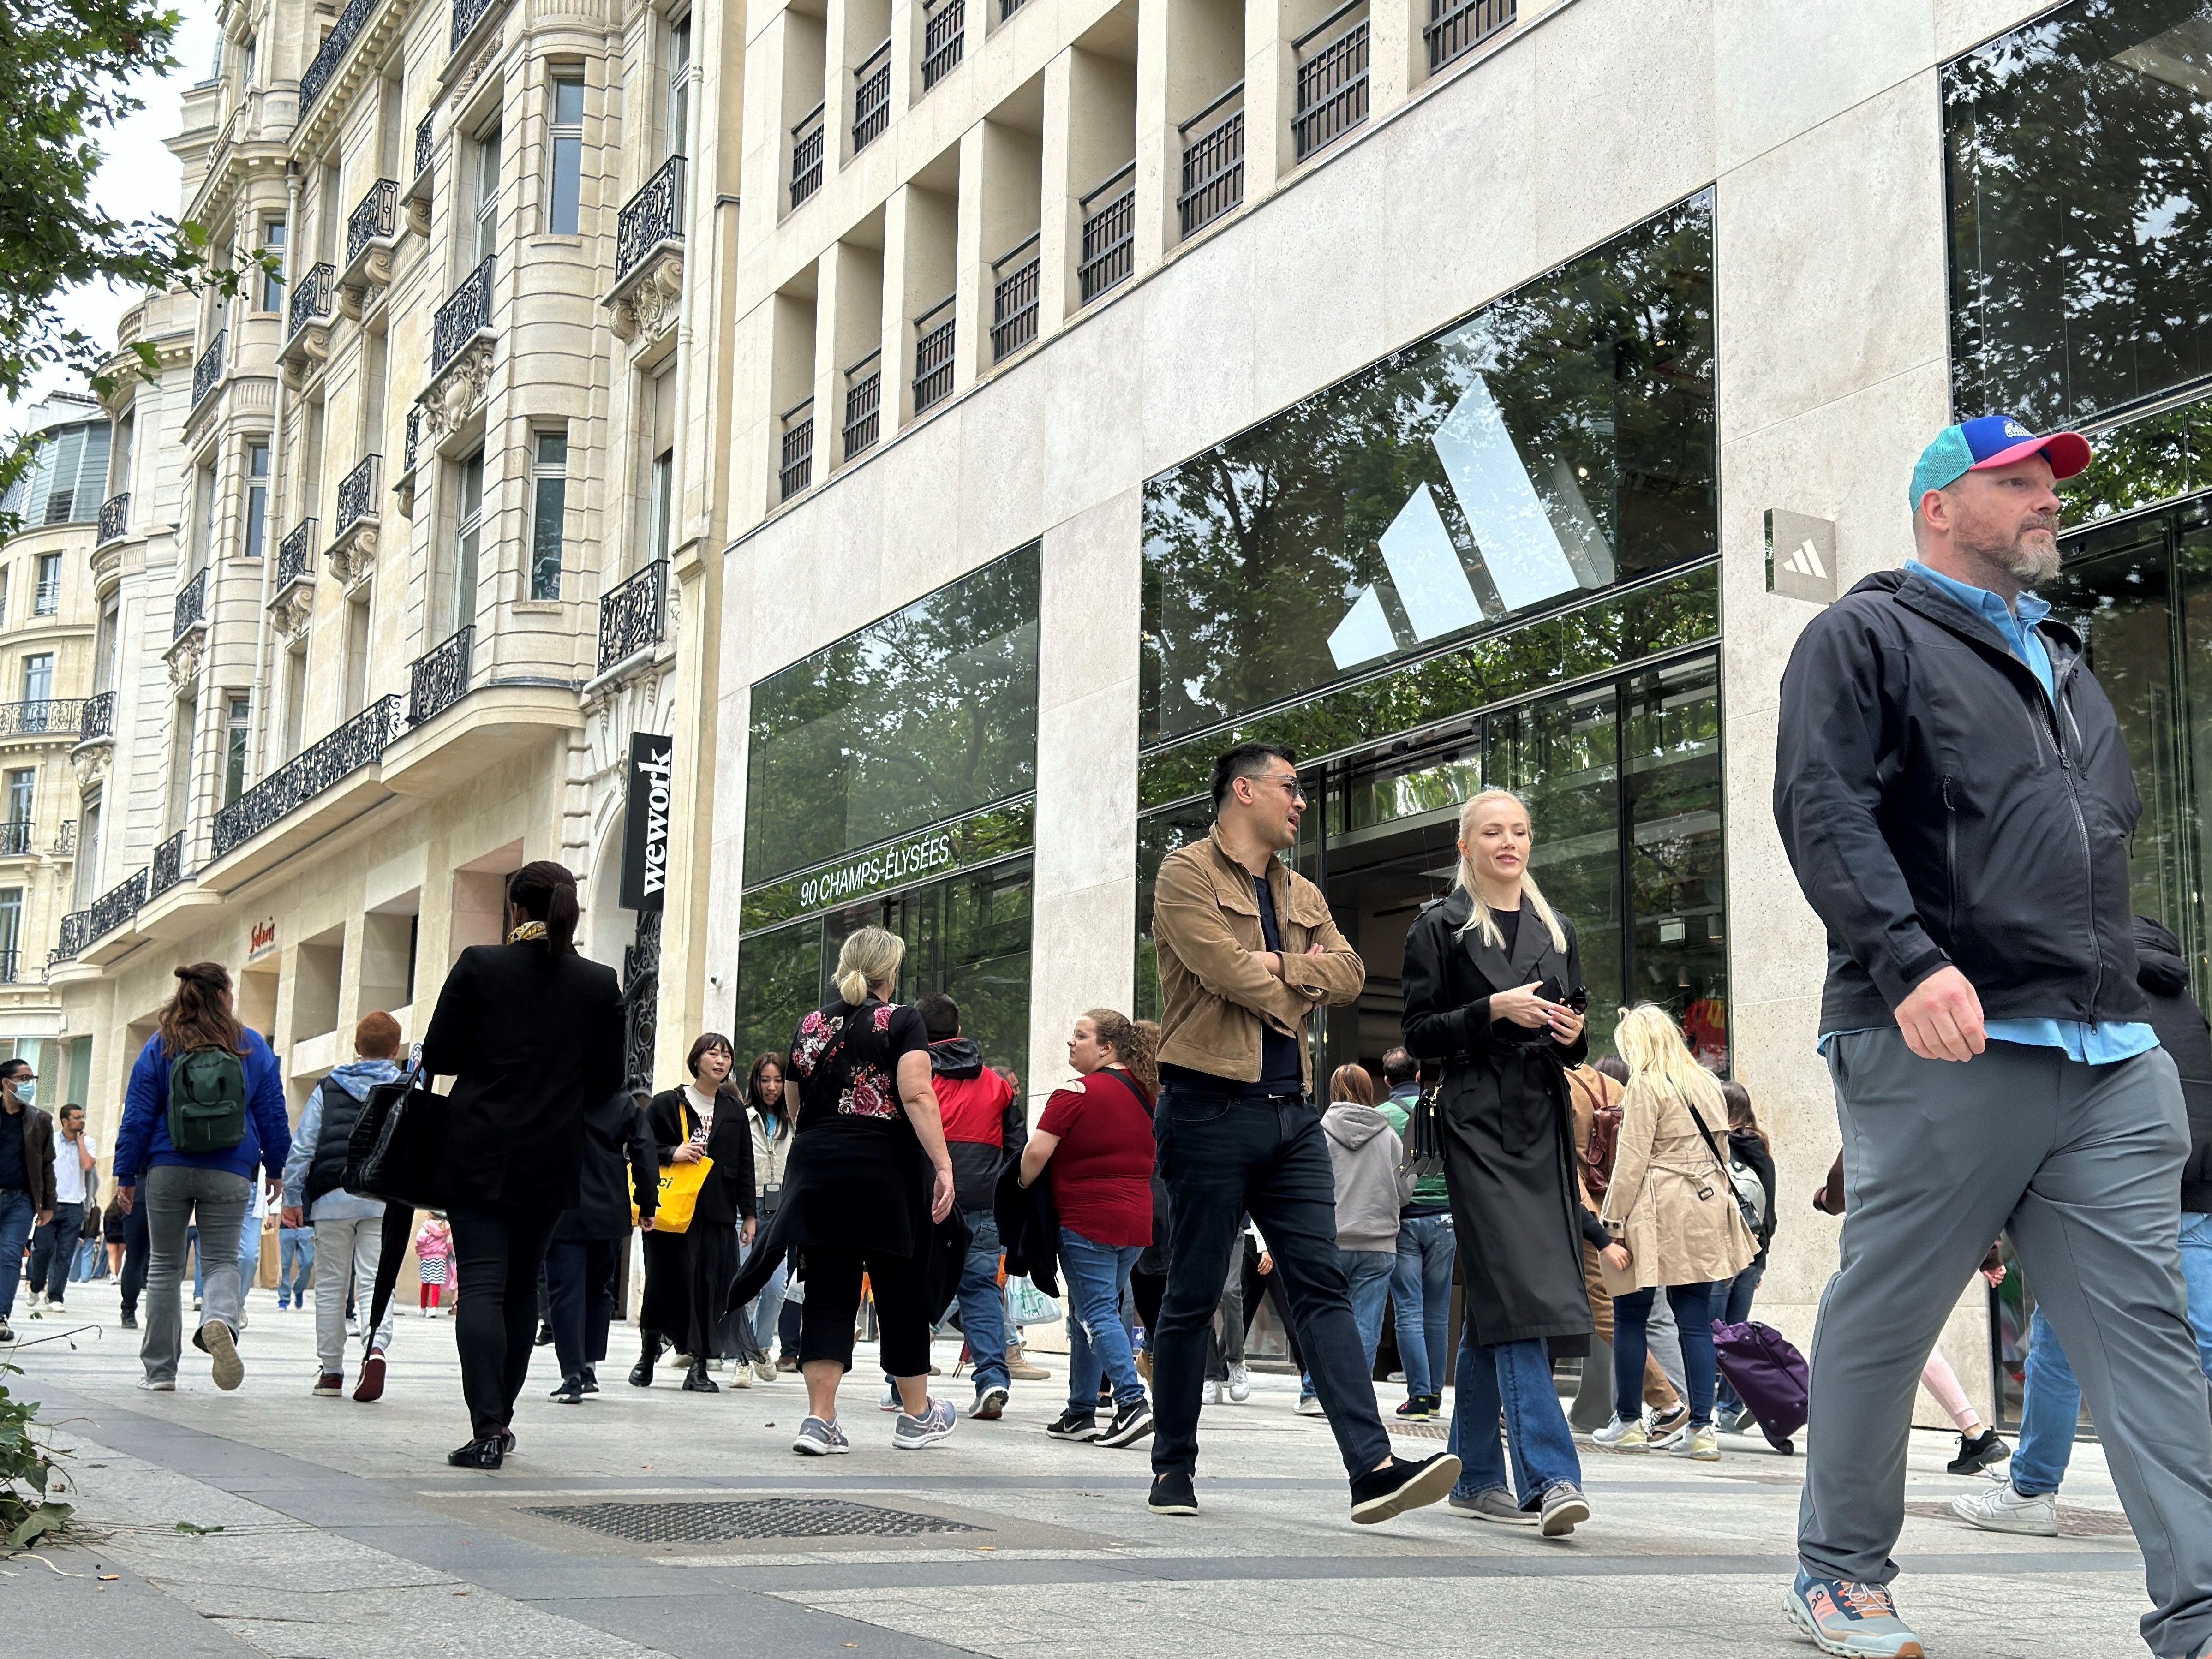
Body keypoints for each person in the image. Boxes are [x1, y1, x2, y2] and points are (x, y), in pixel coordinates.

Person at [1773, 414, 2212, 1659]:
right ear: (1936, 509)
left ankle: (2199, 1606)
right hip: (1942, 1037)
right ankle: (1839, 1574)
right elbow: (1821, 803)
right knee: (1892, 1308)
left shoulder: (2064, 658)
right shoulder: (1863, 635)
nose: (2043, 501)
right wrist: (1907, 959)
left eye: (2049, 485)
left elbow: (2091, 842)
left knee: (2145, 1333)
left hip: (2103, 1049)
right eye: (2012, 482)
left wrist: (2136, 985)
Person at [1148, 741, 1458, 1523]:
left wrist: (1280, 965)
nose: (1300, 803)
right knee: (1189, 1296)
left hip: (1293, 1117)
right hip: (1206, 1107)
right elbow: (1221, 969)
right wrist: (1298, 975)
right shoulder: (1184, 872)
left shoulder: (1300, 888)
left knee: (1318, 1286)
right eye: (1290, 788)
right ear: (1243, 791)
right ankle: (1172, 1468)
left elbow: (1350, 973)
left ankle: (1372, 1468)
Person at [1954, 913, 2212, 1540]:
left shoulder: (2088, 992)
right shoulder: (2185, 1005)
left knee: (2059, 1340)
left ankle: (2030, 1489)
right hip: (2196, 1190)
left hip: (2111, 1196)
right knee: (2200, 1338)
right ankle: (2030, 1483)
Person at [1403, 786, 1601, 1536]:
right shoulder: (1438, 927)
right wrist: (1491, 1011)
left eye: (1518, 831)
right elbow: (1417, 1034)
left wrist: (1568, 1030)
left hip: (1539, 1116)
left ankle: (1475, 1469)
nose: (1507, 843)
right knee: (1519, 1292)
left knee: (1501, 1287)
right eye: (1491, 832)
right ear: (1465, 845)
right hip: (1474, 1121)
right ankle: (1550, 1475)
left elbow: (1576, 1030)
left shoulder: (1557, 926)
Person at [421, 859, 624, 1468]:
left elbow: (440, 1053)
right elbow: (608, 1082)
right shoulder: (597, 982)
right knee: (519, 1287)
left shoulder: (481, 966)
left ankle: (486, 1427)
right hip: (552, 1154)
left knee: (481, 1281)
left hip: (476, 1144)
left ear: (515, 909)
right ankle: (499, 1422)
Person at [726, 925, 959, 1456]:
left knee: (829, 1291)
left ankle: (819, 1419)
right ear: (890, 970)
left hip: (818, 1167)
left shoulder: (812, 1022)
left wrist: (822, 1139)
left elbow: (792, 1098)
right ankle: (917, 1415)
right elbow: (918, 1093)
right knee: (899, 1287)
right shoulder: (902, 1019)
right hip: (885, 1169)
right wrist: (943, 1164)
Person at [112, 963, 291, 1392]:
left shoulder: (162, 1044)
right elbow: (273, 1112)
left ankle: (160, 1372)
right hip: (231, 1169)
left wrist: (125, 1172)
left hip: (168, 1166)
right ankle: (218, 1320)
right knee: (221, 1262)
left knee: (165, 1267)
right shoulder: (251, 1047)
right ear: (225, 995)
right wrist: (277, 1167)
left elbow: (137, 1114)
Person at [1594, 1004, 1756, 1462]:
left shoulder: (1645, 1084)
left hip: (1654, 1207)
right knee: (1695, 1318)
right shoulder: (1706, 1081)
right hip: (1704, 1207)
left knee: (1630, 1312)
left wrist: (1612, 1225)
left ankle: (1626, 1421)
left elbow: (1631, 1161)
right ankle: (1702, 1430)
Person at [1810, 1150, 2010, 1474]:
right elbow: (1976, 1192)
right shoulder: (1956, 1124)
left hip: (1891, 1246)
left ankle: (1975, 1433)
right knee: (1903, 1338)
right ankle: (1975, 1434)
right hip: (1938, 1246)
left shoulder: (1883, 1109)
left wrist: (1825, 1200)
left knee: (1886, 1339)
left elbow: (1844, 1178)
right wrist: (1989, 1256)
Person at [1025, 1010, 1160, 1449]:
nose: (1071, 1042)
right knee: (1090, 1311)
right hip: (1135, 1224)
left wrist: (1023, 1186)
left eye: (1080, 1036)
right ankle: (1080, 1411)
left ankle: (1131, 1402)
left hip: (1086, 1221)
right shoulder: (1150, 1096)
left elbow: (1034, 1155)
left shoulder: (1076, 1093)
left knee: (1097, 1311)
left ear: (1106, 1047)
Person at [280, 1013, 406, 1402]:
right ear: (394, 1049)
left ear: (355, 1047)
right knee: (373, 1281)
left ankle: (331, 1372)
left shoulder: (328, 1087)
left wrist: (291, 1197)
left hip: (332, 1197)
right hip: (384, 1198)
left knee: (332, 1286)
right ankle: (376, 1349)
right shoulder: (406, 1086)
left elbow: (303, 1146)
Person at [917, 993, 1027, 1421]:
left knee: (916, 1287)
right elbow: (1016, 1149)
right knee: (980, 1291)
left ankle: (901, 1382)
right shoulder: (997, 1085)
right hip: (984, 1203)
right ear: (959, 1032)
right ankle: (993, 1378)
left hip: (929, 1200)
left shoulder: (914, 1077)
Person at [638, 1033, 758, 1392]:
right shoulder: (665, 1104)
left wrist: (748, 1214)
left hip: (717, 1211)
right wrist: (672, 1151)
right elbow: (642, 1149)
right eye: (713, 1054)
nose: (720, 1061)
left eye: (726, 1056)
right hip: (673, 1213)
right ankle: (648, 1355)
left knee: (711, 1288)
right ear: (697, 1060)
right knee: (665, 1284)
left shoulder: (734, 1109)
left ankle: (699, 1367)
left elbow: (744, 1163)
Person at [546, 1086, 658, 1402]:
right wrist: (647, 1203)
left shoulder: (558, 1092)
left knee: (565, 1291)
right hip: (609, 1208)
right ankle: (589, 1368)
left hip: (563, 1205)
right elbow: (644, 1151)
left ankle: (571, 1375)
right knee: (598, 1289)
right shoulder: (621, 1101)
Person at [1313, 1063, 1411, 1396]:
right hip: (1379, 1243)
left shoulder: (1319, 1133)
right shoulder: (1389, 1137)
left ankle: (1315, 1392)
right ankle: (1356, 1396)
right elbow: (1406, 1190)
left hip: (1331, 1240)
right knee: (1366, 1325)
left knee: (1324, 1317)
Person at [1375, 1046, 1454, 1420]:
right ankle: (1436, 1396)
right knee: (1438, 1314)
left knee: (1408, 1310)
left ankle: (1419, 1398)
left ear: (1387, 1079)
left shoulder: (1380, 1118)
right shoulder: (1443, 1114)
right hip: (1446, 1221)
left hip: (1403, 1221)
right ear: (1420, 1076)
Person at [1710, 1079, 1777, 1433]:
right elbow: (1770, 1212)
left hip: (1724, 1254)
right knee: (1736, 1335)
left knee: (1709, 1332)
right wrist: (1761, 1256)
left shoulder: (1720, 1147)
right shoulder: (1761, 1149)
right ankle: (1730, 1407)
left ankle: (1700, 1408)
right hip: (1754, 1255)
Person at [741, 1052, 794, 1382]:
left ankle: (759, 1347)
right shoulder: (742, 1117)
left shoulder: (796, 1121)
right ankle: (743, 1357)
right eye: (765, 1080)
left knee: (776, 1288)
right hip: (747, 1208)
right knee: (744, 1286)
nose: (772, 1087)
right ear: (756, 1082)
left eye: (778, 1080)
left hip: (781, 1211)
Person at [0, 1054, 54, 1341]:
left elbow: (47, 1165)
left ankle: (0, 1317)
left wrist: (48, 1204)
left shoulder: (41, 1120)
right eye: (23, 1079)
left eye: (32, 1079)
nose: (29, 1084)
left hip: (21, 1200)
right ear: (6, 1083)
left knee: (10, 1256)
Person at [26, 1102, 94, 1314]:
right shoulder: (52, 1140)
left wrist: (80, 1142)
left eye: (83, 1117)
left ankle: (56, 1296)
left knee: (65, 1253)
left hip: (75, 1205)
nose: (82, 1121)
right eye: (77, 1118)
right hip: (50, 1204)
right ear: (65, 1121)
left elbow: (87, 1165)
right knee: (43, 1249)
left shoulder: (88, 1142)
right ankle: (36, 1285)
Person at [277, 1211, 315, 1312]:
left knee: (308, 1263)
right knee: (285, 1264)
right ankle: (284, 1298)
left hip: (308, 1225)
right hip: (286, 1227)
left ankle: (299, 1289)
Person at [415, 1214, 452, 1315]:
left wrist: (420, 1248)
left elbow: (420, 1239)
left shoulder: (426, 1226)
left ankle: (423, 1308)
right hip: (440, 1258)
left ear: (431, 1215)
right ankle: (434, 1308)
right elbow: (449, 1243)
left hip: (427, 1257)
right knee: (436, 1283)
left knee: (426, 1282)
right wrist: (445, 1251)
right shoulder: (446, 1226)